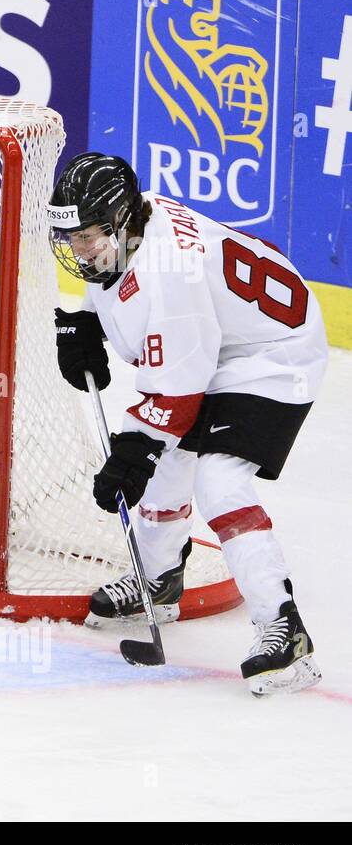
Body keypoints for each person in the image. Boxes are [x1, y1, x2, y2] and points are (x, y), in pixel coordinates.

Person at [48, 151, 328, 696]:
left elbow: (174, 400)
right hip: (225, 339)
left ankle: (283, 627)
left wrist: (131, 455)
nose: (80, 251)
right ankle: (160, 580)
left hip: (275, 355)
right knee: (165, 460)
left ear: (122, 222)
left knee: (216, 479)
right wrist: (85, 321)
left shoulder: (169, 276)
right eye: (73, 238)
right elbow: (115, 283)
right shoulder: (131, 229)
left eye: (89, 237)